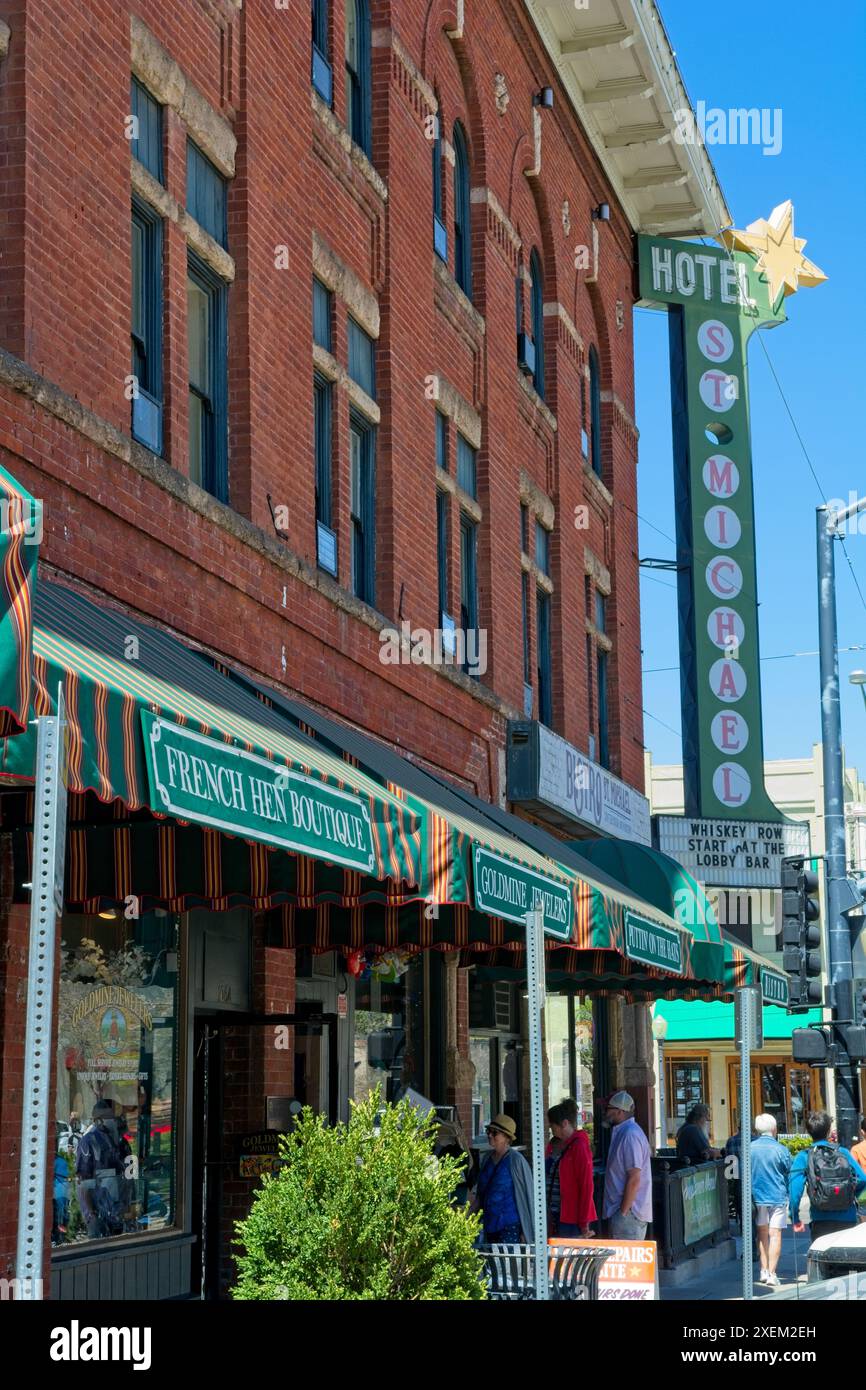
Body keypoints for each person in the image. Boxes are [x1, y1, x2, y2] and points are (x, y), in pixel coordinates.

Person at [789, 1110, 866, 1242]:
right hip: (847, 1217)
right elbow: (862, 1179)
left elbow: (794, 1190)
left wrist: (795, 1217)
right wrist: (851, 1196)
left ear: (808, 1132)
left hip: (820, 1219)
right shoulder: (843, 1152)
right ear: (829, 1131)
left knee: (822, 1260)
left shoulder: (804, 1156)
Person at [472, 1113, 534, 1246]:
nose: (489, 1135)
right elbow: (480, 1195)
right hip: (489, 1225)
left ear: (507, 1137)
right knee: (491, 1265)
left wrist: (526, 1231)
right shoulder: (486, 1159)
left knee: (508, 1266)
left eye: (495, 1133)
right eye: (489, 1131)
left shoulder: (516, 1161)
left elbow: (527, 1196)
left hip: (510, 1226)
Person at [75, 1099, 133, 1239]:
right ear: (99, 1120)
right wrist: (92, 1217)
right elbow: (83, 1183)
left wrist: (133, 1210)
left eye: (117, 1116)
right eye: (111, 1117)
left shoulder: (122, 1144)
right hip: (100, 1217)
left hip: (123, 1215)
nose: (117, 1120)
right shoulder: (89, 1142)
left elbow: (131, 1179)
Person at [601, 1091, 653, 1240]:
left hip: (629, 1215)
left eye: (607, 1109)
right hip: (625, 1212)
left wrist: (623, 1212)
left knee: (627, 1261)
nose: (605, 1113)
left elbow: (635, 1178)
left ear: (619, 1111)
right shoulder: (625, 1132)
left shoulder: (630, 1135)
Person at [750, 1114, 791, 1287]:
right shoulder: (781, 1149)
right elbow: (789, 1170)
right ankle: (772, 1273)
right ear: (774, 1129)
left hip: (757, 1196)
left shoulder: (749, 1148)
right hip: (777, 1196)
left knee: (762, 1233)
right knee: (775, 1234)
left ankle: (763, 1270)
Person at [546, 1099, 596, 1238]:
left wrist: (584, 1221)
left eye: (553, 1126)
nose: (551, 1129)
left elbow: (586, 1185)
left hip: (571, 1218)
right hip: (556, 1213)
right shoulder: (555, 1145)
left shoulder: (579, 1145)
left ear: (564, 1123)